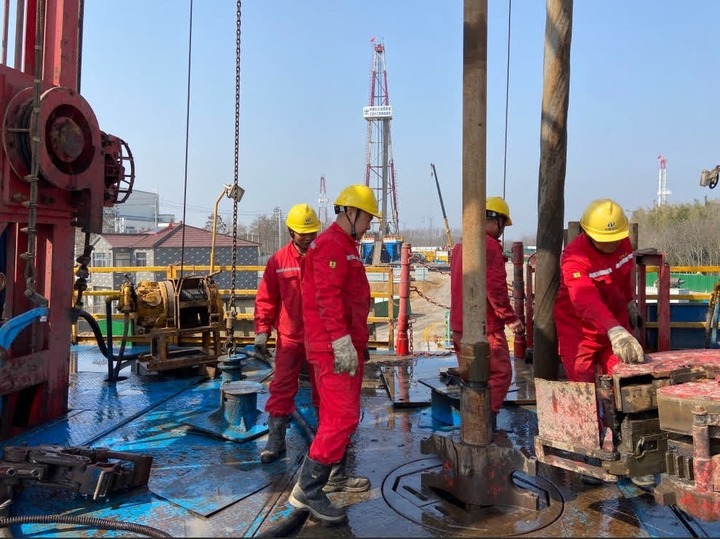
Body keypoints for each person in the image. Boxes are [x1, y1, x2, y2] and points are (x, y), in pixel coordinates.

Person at [288, 184, 379, 524]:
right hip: (332, 349)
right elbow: (326, 298)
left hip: (343, 345)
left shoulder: (346, 246)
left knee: (334, 417)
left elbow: (350, 299)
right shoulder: (331, 245)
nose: (369, 225)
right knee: (342, 417)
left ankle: (333, 477)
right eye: (368, 218)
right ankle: (308, 489)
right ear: (351, 213)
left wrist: (354, 341)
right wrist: (341, 341)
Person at [553, 198, 651, 487]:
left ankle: (635, 453)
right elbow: (585, 300)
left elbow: (624, 276)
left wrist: (630, 303)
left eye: (614, 239)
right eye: (604, 241)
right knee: (583, 391)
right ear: (587, 233)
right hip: (579, 331)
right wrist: (614, 330)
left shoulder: (623, 244)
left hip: (615, 325)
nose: (611, 245)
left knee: (627, 384)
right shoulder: (574, 258)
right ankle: (588, 455)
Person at [449, 196, 524, 431]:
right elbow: (495, 287)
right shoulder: (489, 246)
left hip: (459, 326)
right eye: (502, 224)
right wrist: (510, 318)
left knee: (471, 376)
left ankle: (472, 423)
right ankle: (483, 422)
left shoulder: (460, 247)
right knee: (500, 374)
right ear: (494, 220)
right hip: (485, 327)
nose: (501, 231)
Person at [254, 203, 321, 464]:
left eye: (312, 232)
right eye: (303, 233)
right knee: (281, 388)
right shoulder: (278, 261)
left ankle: (326, 440)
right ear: (291, 231)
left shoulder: (325, 257)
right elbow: (266, 298)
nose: (307, 238)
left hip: (320, 337)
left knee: (324, 391)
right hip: (290, 338)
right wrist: (262, 331)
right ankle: (276, 441)